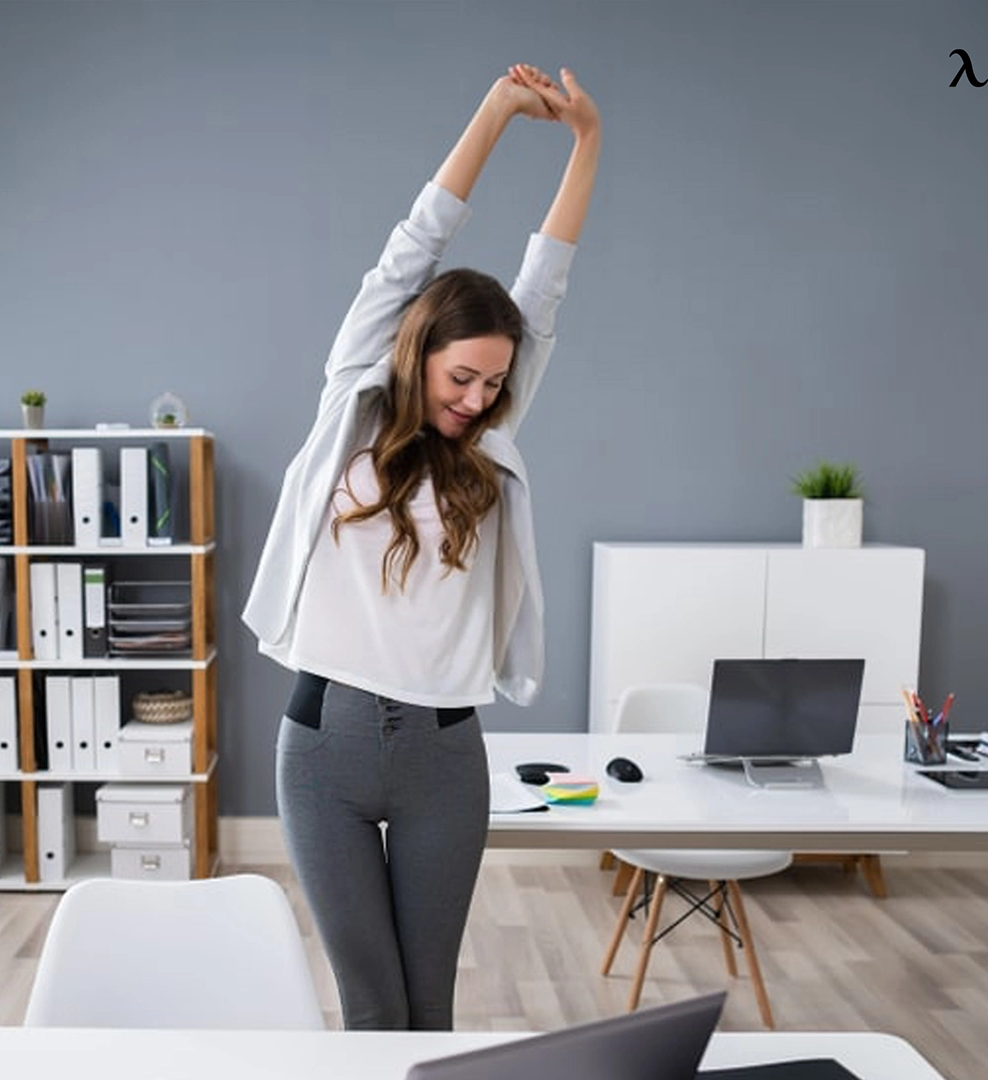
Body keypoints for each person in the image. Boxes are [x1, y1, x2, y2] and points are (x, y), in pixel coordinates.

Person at [241, 63, 600, 1030]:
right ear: (418, 347)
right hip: (325, 745)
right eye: (465, 375)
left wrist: (586, 144)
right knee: (370, 1005)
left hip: (444, 750)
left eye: (497, 382)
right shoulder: (352, 397)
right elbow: (415, 243)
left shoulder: (491, 439)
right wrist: (494, 114)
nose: (480, 397)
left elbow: (547, 286)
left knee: (430, 1004)